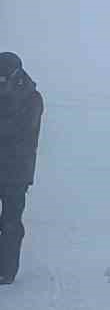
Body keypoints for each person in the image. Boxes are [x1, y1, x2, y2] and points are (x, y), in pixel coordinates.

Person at [0, 52, 43, 285]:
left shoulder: (32, 98)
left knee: (10, 223)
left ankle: (6, 271)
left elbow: (20, 131)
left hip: (16, 172)